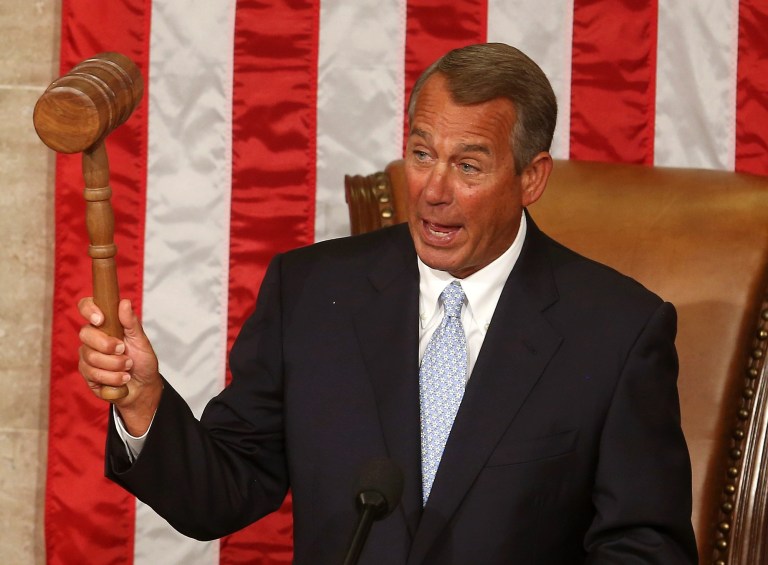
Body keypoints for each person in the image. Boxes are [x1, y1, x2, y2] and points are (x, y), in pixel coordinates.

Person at [78, 42, 698, 563]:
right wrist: (145, 402)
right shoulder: (313, 293)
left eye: (469, 166)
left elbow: (644, 546)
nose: (432, 190)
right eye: (422, 154)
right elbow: (221, 493)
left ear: (531, 178)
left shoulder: (617, 331)